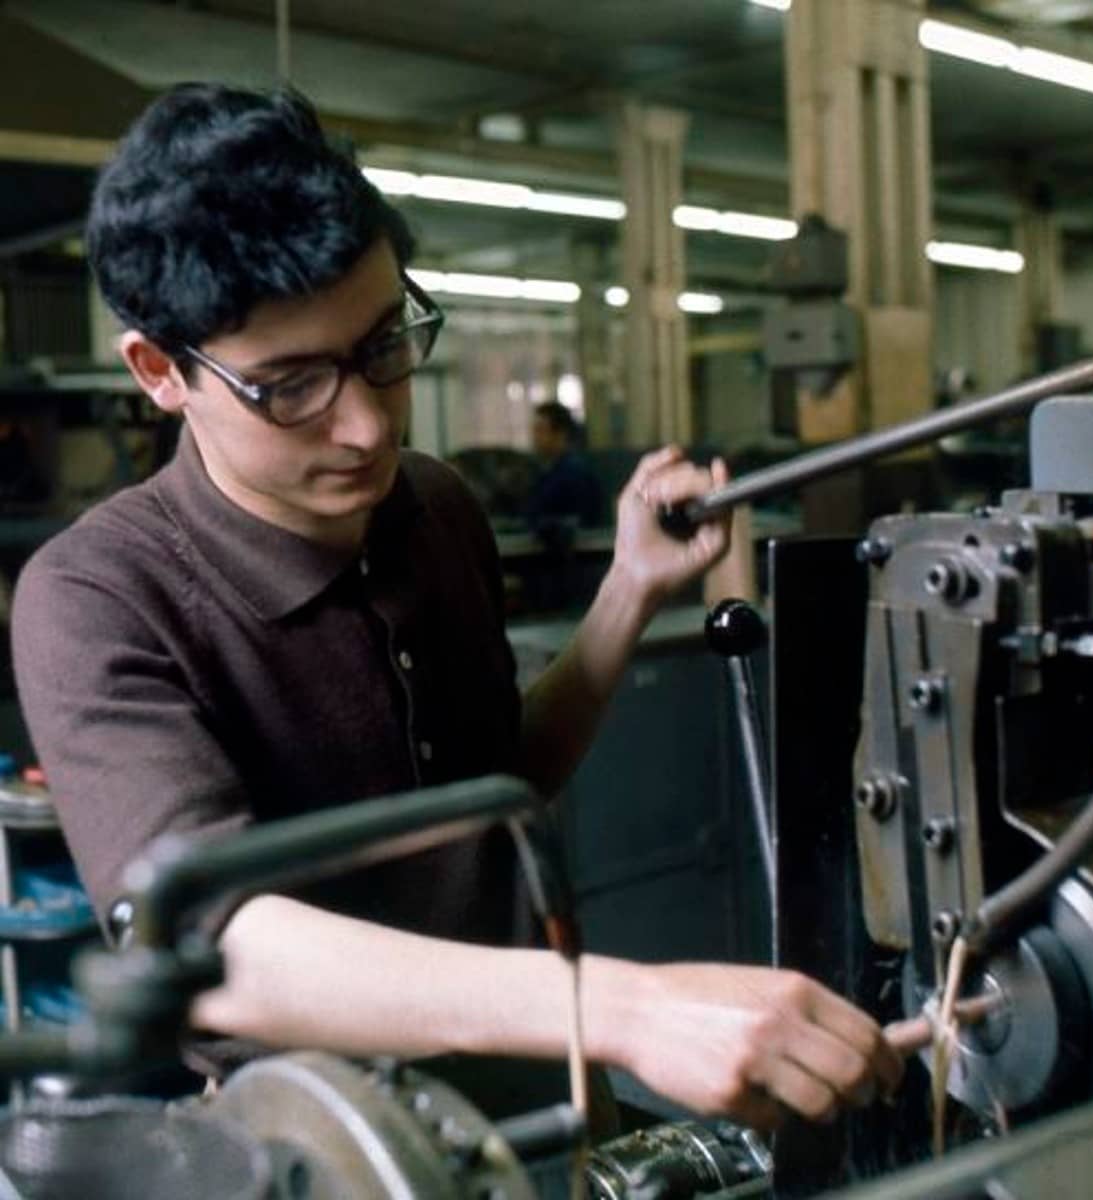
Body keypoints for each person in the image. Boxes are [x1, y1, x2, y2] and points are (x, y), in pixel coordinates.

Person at [11, 83, 901, 1129]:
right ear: (161, 371)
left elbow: (497, 786)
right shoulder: (100, 594)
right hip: (325, 1134)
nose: (363, 428)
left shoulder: (431, 502)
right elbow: (219, 954)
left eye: (384, 347)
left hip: (543, 1084)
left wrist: (629, 589)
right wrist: (631, 1006)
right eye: (290, 386)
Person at [527, 400, 607, 531]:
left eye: (540, 430)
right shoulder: (547, 473)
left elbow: (582, 525)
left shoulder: (575, 475)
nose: (535, 437)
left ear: (560, 434)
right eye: (535, 430)